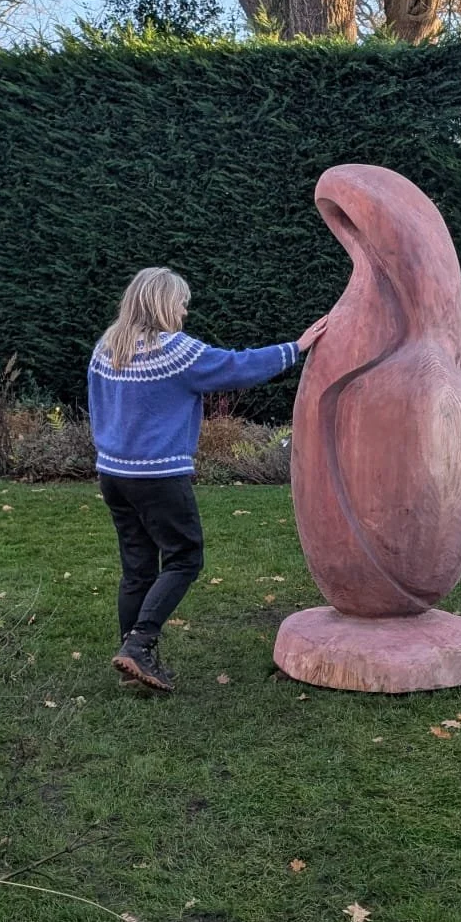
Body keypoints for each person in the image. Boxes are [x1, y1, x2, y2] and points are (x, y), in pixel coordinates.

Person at [88, 267, 327, 693]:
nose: (184, 310)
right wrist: (296, 348)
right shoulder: (174, 351)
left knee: (137, 568)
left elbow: (98, 407)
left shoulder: (106, 349)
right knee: (184, 557)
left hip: (113, 475)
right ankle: (140, 644)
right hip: (158, 475)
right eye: (181, 302)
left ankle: (133, 654)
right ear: (162, 303)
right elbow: (236, 367)